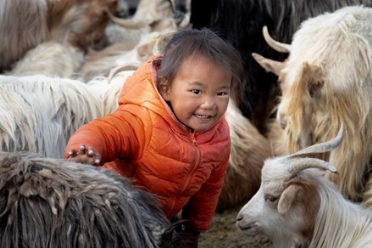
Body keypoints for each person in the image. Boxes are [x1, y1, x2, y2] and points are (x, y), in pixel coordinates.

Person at [64, 28, 244, 247]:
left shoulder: (219, 136)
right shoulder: (143, 118)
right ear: (166, 89)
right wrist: (84, 149)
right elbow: (104, 131)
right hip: (118, 214)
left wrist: (194, 229)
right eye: (196, 92)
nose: (209, 104)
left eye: (221, 93)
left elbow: (209, 188)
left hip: (162, 218)